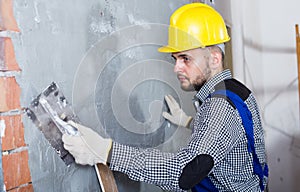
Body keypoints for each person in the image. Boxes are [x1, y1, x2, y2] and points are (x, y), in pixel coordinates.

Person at [62, 3, 269, 191]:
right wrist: (188, 121)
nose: (177, 67)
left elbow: (185, 173)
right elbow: (225, 136)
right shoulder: (235, 91)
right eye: (175, 58)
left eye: (185, 58)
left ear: (214, 59)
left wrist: (106, 151)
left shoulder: (219, 107)